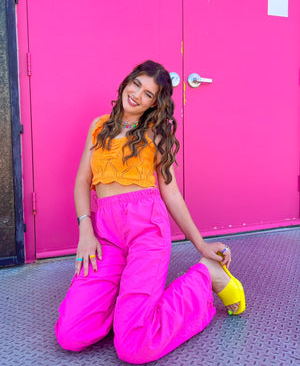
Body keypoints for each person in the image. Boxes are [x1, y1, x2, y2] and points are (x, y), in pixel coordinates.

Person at [55, 60, 245, 364]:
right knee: (71, 334)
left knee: (134, 347)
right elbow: (82, 182)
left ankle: (206, 277)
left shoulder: (155, 136)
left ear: (154, 104)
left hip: (147, 233)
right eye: (136, 85)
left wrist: (201, 245)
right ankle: (123, 305)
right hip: (105, 234)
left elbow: (171, 193)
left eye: (148, 94)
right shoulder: (99, 126)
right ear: (126, 82)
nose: (137, 95)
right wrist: (85, 231)